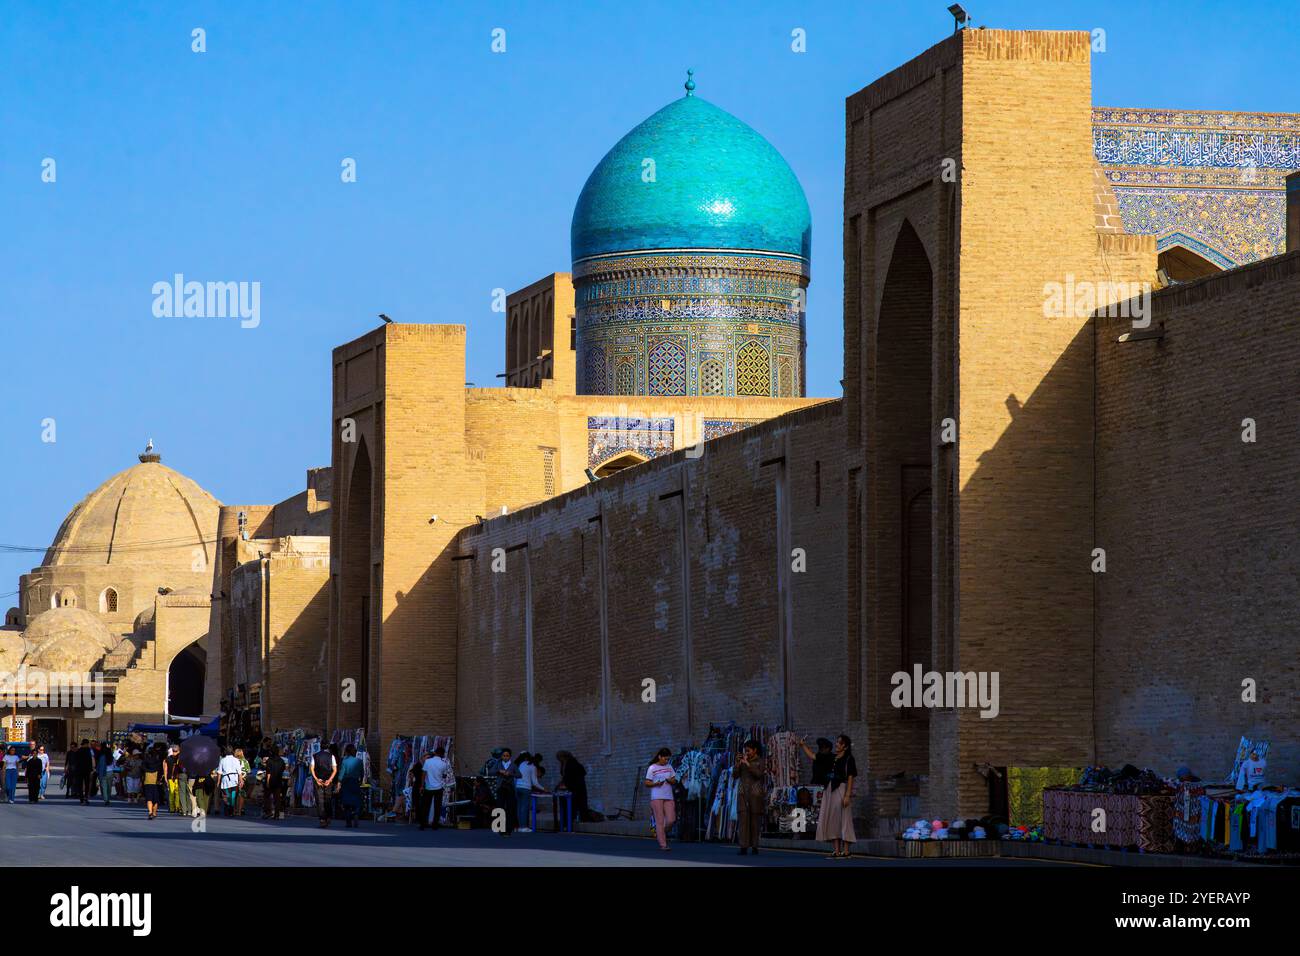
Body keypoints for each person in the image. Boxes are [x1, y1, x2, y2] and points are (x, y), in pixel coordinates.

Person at [815, 734, 857, 859]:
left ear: (845, 746)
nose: (837, 744)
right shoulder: (834, 758)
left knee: (844, 819)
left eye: (839, 742)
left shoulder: (849, 758)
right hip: (831, 789)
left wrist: (848, 795)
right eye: (837, 742)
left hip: (842, 789)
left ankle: (846, 851)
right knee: (833, 820)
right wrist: (803, 745)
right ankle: (837, 850)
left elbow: (850, 777)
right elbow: (814, 757)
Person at [733, 739, 766, 855]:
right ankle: (743, 846)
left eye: (748, 750)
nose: (746, 753)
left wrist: (748, 764)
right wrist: (737, 764)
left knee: (755, 821)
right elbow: (735, 776)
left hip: (755, 794)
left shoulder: (760, 761)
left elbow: (759, 774)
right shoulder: (742, 761)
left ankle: (755, 846)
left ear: (755, 750)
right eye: (745, 750)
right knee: (743, 820)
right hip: (742, 793)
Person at [645, 748, 678, 851]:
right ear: (660, 757)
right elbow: (647, 782)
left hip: (668, 796)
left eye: (668, 759)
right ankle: (663, 844)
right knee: (659, 821)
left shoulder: (669, 767)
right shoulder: (652, 768)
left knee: (671, 819)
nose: (667, 761)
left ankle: (661, 832)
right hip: (656, 797)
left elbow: (674, 779)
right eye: (665, 759)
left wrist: (670, 780)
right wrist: (656, 783)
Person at [556, 751, 590, 823]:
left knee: (576, 803)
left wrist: (565, 784)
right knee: (568, 803)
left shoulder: (573, 764)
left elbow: (571, 777)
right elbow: (564, 776)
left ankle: (572, 819)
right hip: (571, 786)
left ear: (563, 757)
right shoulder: (564, 764)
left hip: (576, 787)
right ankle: (568, 819)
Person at [420, 746, 450, 831]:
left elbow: (424, 774)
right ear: (442, 754)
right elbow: (444, 775)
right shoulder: (444, 764)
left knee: (425, 806)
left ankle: (423, 824)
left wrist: (422, 786)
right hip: (439, 788)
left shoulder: (428, 762)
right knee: (437, 807)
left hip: (428, 787)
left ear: (435, 753)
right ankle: (435, 825)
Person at [338, 744, 365, 828]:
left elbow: (341, 774)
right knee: (356, 800)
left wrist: (339, 782)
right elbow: (362, 773)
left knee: (346, 802)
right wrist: (360, 780)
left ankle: (348, 821)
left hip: (346, 782)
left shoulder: (344, 761)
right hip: (355, 782)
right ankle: (356, 813)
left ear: (347, 751)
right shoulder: (359, 761)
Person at [310, 745, 337, 828]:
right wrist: (329, 780)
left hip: (319, 780)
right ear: (327, 747)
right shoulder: (331, 756)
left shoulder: (315, 756)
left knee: (320, 800)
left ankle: (322, 820)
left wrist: (316, 779)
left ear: (320, 746)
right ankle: (328, 817)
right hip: (328, 781)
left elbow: (312, 768)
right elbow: (335, 770)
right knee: (328, 799)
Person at [495, 748, 520, 835]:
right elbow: (491, 771)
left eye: (507, 756)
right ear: (502, 756)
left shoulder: (513, 765)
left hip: (510, 788)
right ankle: (500, 828)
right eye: (504, 756)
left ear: (510, 756)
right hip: (501, 788)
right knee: (500, 807)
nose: (505, 757)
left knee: (510, 808)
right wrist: (499, 771)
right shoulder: (498, 764)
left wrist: (510, 774)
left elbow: (519, 775)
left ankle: (509, 828)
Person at [515, 752, 542, 833]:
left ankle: (519, 826)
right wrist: (543, 789)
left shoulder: (522, 764)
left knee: (519, 808)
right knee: (524, 808)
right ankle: (523, 827)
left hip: (518, 787)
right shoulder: (533, 767)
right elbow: (534, 782)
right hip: (526, 788)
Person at [217, 748, 243, 818]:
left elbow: (219, 772)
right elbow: (239, 772)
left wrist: (218, 782)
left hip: (225, 780)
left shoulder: (222, 760)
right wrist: (241, 780)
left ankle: (227, 809)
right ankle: (231, 810)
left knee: (226, 795)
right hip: (234, 780)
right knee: (233, 796)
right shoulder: (236, 760)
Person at [262, 745, 286, 820]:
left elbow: (268, 772)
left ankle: (268, 812)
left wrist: (268, 782)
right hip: (278, 780)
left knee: (267, 797)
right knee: (277, 798)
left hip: (270, 780)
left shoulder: (269, 761)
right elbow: (283, 770)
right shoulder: (282, 761)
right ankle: (277, 814)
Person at [141, 744, 165, 820]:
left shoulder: (145, 761)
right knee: (156, 799)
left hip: (147, 781)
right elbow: (161, 772)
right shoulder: (158, 762)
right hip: (156, 781)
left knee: (149, 798)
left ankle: (150, 812)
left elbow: (142, 769)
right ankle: (154, 812)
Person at [72, 738, 94, 804]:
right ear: (86, 744)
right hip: (87, 770)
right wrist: (91, 769)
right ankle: (86, 798)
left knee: (80, 784)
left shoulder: (78, 751)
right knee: (87, 784)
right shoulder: (89, 751)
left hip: (79, 770)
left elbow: (75, 761)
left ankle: (81, 798)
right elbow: (91, 760)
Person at [164, 745, 182, 813]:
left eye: (176, 751)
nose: (175, 753)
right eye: (175, 751)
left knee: (172, 793)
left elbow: (165, 769)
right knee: (175, 793)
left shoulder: (168, 758)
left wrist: (165, 778)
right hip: (175, 777)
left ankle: (172, 808)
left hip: (171, 777)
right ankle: (176, 807)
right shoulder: (179, 758)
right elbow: (166, 769)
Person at [95, 741, 113, 805]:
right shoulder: (110, 754)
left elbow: (98, 764)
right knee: (109, 786)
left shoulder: (100, 754)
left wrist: (97, 771)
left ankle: (106, 800)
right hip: (110, 771)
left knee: (104, 787)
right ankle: (108, 797)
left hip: (102, 772)